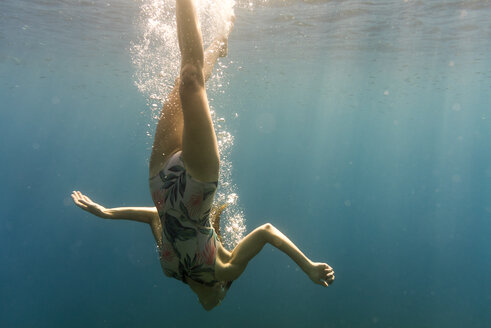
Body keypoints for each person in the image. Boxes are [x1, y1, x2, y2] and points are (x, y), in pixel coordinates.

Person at [71, 0, 334, 311]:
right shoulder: (225, 269)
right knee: (191, 80)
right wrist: (307, 266)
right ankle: (205, 28)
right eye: (221, 300)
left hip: (159, 178)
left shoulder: (170, 272)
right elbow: (265, 232)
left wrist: (106, 212)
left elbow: (156, 217)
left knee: (180, 84)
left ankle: (217, 48)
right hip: (198, 182)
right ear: (222, 290)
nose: (212, 305)